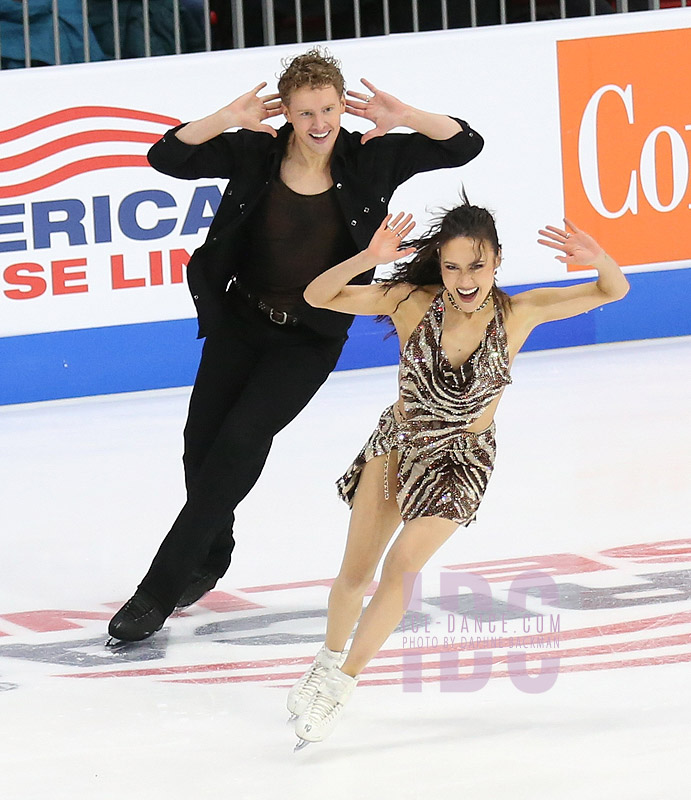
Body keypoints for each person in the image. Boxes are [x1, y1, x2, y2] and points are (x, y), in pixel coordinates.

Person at [107, 48, 484, 643]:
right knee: (199, 446)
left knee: (239, 442)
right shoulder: (255, 153)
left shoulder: (369, 161)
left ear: (340, 108)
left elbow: (464, 144)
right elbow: (169, 157)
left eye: (329, 109)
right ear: (286, 111)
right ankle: (211, 554)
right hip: (241, 320)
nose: (319, 123)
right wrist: (227, 116)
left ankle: (156, 591)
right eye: (306, 111)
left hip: (308, 339)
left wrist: (405, 113)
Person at [288, 198, 629, 747]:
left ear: (497, 261)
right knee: (355, 576)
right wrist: (368, 257)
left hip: (462, 460)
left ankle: (341, 687)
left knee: (401, 568)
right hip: (397, 447)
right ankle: (325, 665)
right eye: (452, 266)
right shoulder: (409, 301)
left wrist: (600, 257)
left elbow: (613, 290)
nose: (464, 279)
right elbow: (316, 295)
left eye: (476, 265)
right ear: (439, 266)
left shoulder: (521, 313)